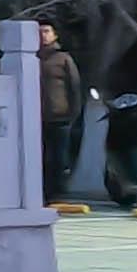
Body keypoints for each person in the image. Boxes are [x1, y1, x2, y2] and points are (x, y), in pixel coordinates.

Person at [36, 24, 88, 198]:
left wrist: (74, 112)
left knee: (59, 157)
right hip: (36, 117)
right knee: (39, 157)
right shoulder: (32, 59)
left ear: (55, 35)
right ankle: (41, 191)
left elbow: (75, 87)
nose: (43, 35)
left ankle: (57, 191)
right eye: (40, 32)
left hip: (60, 116)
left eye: (46, 32)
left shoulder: (63, 58)